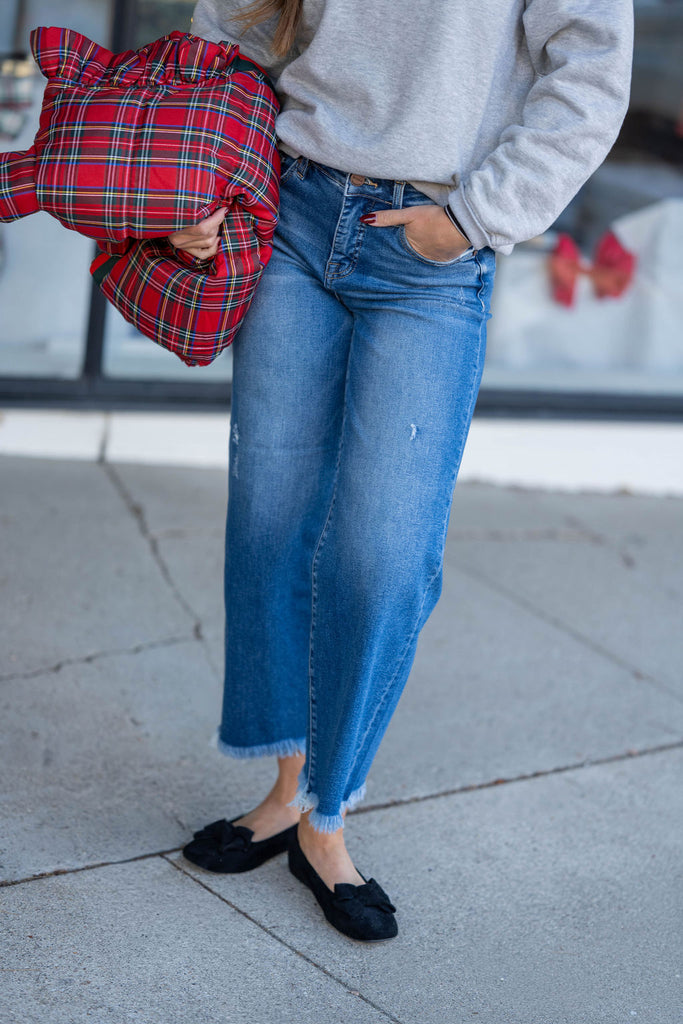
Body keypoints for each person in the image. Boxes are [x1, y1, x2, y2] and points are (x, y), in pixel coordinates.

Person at [174, 0, 634, 941]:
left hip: (430, 247)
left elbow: (590, 68)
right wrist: (199, 184)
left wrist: (473, 217)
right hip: (290, 210)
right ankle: (288, 791)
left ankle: (327, 818)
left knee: (382, 553)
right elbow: (224, 31)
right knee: (269, 520)